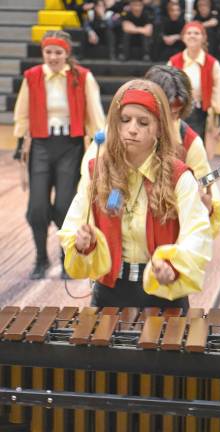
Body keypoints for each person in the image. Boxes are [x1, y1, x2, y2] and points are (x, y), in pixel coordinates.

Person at [58, 79, 212, 310]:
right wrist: (82, 243)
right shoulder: (97, 170)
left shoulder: (179, 176)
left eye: (143, 122)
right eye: (125, 120)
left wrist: (174, 268)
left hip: (163, 293)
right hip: (109, 293)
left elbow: (197, 233)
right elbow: (74, 224)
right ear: (115, 125)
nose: (132, 129)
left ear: (159, 128)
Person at [13, 30, 106, 280]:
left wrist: (101, 145)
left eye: (58, 52)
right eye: (48, 52)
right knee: (37, 208)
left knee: (65, 206)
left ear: (67, 53)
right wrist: (20, 141)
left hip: (71, 146)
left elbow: (96, 114)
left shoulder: (83, 77)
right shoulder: (32, 77)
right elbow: (22, 112)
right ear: (43, 53)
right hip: (41, 146)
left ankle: (67, 259)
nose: (53, 57)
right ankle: (41, 259)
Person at [145, 64, 220, 238]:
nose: (170, 119)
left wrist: (208, 208)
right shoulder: (123, 129)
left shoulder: (190, 142)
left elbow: (208, 190)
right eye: (165, 112)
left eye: (176, 113)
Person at [168, 20, 220, 143]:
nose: (192, 35)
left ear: (203, 38)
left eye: (196, 33)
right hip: (177, 114)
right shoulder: (173, 62)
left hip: (201, 114)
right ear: (183, 37)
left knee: (197, 148)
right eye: (189, 33)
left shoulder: (212, 63)